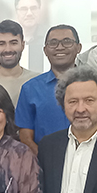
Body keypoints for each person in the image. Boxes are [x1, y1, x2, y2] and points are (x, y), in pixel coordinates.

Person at [16, 24, 82, 155]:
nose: (60, 47)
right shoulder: (30, 89)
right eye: (53, 43)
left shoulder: (93, 85)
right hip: (45, 165)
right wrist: (45, 160)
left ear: (79, 48)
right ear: (45, 50)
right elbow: (25, 136)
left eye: (67, 41)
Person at [0, 20, 37, 105]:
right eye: (1, 44)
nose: (8, 49)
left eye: (13, 43)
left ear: (23, 45)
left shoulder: (37, 81)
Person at [15, 0, 46, 72]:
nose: (29, 13)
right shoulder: (9, 37)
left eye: (33, 8)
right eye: (24, 9)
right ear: (16, 12)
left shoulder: (49, 37)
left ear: (40, 10)